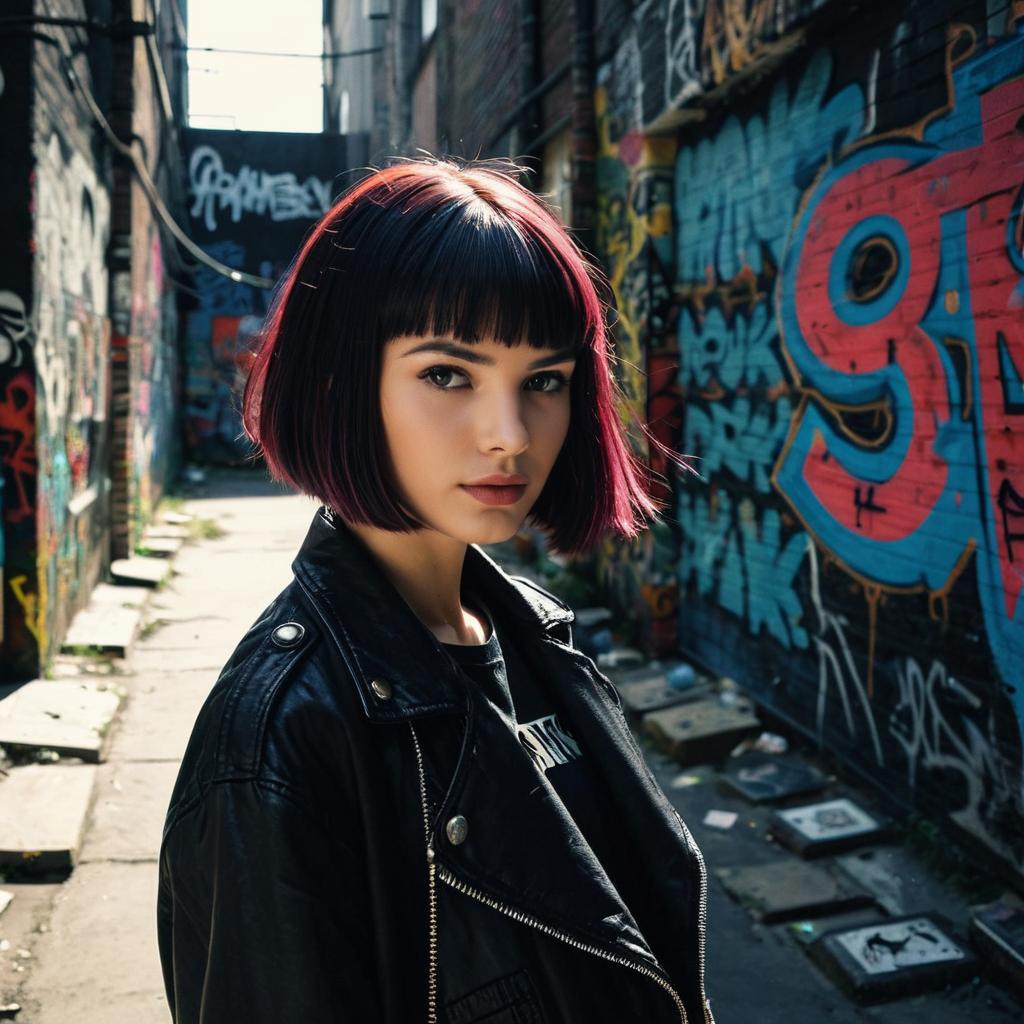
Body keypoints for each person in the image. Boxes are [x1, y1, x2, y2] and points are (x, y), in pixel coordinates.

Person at [156, 156, 714, 1024]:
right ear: (341, 383)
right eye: (448, 374)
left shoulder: (537, 636)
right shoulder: (278, 742)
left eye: (544, 382)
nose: (510, 434)